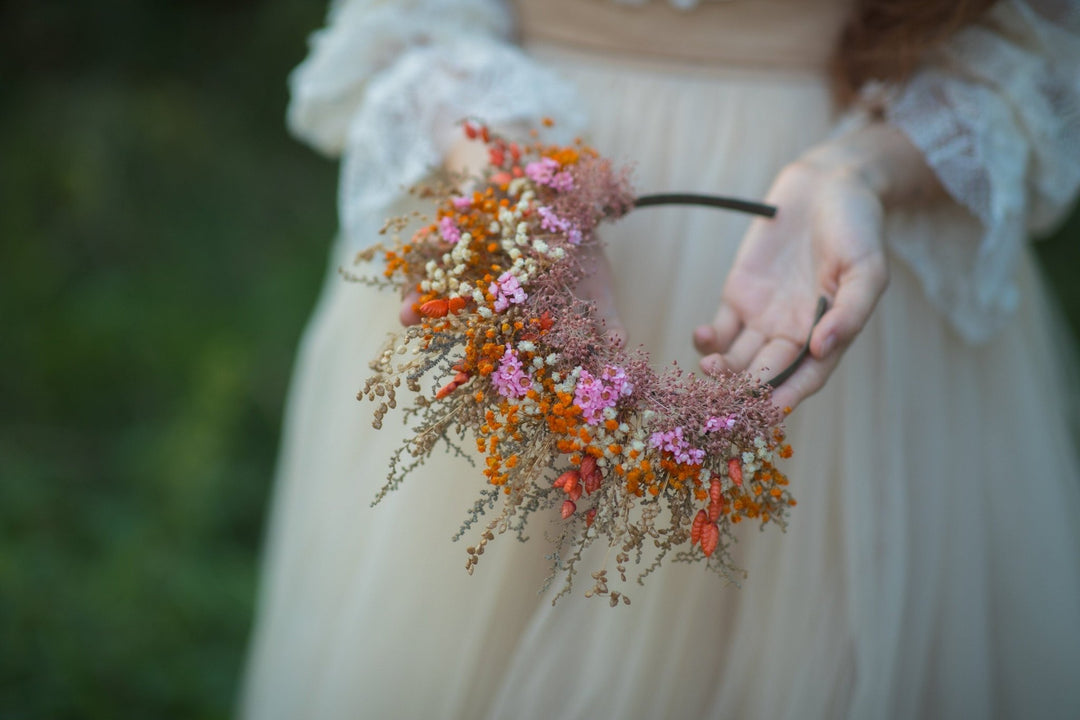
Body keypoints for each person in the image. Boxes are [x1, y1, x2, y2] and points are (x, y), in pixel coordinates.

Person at [240, 1, 1080, 717]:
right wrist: (508, 179)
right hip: (529, 216)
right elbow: (404, 27)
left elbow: (1031, 58)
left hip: (842, 262)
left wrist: (858, 170)